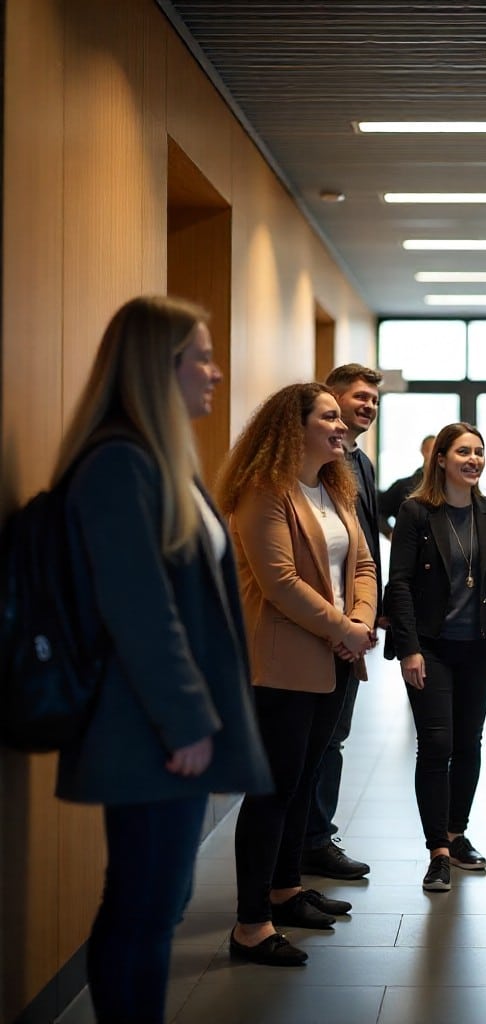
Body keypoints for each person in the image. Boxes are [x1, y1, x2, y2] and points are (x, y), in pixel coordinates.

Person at [55, 296, 271, 1023]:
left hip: (167, 724)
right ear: (159, 366)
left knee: (158, 903)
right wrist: (185, 721)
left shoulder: (159, 459)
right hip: (148, 726)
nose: (216, 372)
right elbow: (139, 610)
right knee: (143, 908)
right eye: (201, 358)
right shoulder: (119, 463)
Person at [218, 382, 377, 967]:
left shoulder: (334, 487)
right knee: (273, 791)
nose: (341, 426)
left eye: (340, 417)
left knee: (304, 781)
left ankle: (285, 892)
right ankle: (250, 925)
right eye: (328, 416)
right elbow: (279, 582)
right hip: (284, 661)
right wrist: (344, 629)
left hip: (337, 656)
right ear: (295, 426)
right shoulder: (264, 490)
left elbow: (363, 563)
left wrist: (359, 622)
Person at [385, 423, 486, 891]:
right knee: (437, 743)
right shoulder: (416, 512)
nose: (474, 459)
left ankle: (456, 833)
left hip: (480, 646)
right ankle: (437, 852)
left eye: (479, 452)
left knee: (469, 742)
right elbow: (399, 583)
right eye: (464, 451)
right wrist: (408, 648)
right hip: (431, 646)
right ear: (441, 459)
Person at [301, 363, 383, 880]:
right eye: (358, 398)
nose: (368, 406)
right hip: (316, 626)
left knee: (334, 736)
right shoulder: (310, 470)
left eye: (374, 400)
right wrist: (341, 624)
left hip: (353, 620)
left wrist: (366, 615)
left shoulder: (360, 464)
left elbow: (365, 548)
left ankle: (315, 837)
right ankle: (308, 841)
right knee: (314, 741)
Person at [379, 433, 435, 539]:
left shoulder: (449, 487)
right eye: (433, 450)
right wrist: (390, 533)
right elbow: (379, 511)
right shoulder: (403, 486)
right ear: (424, 451)